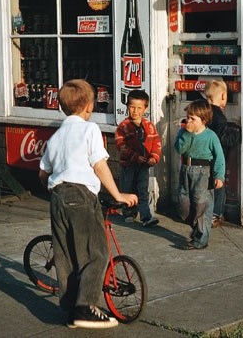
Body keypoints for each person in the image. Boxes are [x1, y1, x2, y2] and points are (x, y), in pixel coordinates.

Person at [39, 79, 138, 329]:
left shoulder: (56, 136)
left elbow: (43, 173)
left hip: (58, 197)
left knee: (66, 255)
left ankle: (72, 310)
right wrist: (117, 194)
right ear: (88, 107)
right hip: (81, 196)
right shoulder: (89, 129)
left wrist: (56, 190)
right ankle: (86, 308)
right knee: (97, 252)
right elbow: (99, 165)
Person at [175, 99, 225, 250]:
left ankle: (201, 239)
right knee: (185, 205)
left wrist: (219, 176)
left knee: (202, 205)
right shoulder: (184, 133)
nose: (189, 120)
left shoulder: (211, 136)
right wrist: (187, 134)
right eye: (188, 117)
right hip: (186, 169)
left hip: (203, 172)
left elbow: (219, 157)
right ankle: (197, 229)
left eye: (193, 118)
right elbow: (180, 149)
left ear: (203, 120)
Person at [115, 89, 162, 227]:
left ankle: (146, 216)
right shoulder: (123, 126)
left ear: (145, 108)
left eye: (139, 108)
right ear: (127, 107)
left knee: (142, 190)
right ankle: (129, 212)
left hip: (144, 166)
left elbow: (156, 143)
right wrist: (135, 157)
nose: (135, 111)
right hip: (128, 165)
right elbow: (121, 145)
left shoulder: (149, 126)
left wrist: (154, 157)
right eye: (132, 107)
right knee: (128, 188)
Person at [204, 79, 239, 228]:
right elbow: (224, 139)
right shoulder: (220, 117)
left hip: (203, 158)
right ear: (224, 96)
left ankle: (202, 212)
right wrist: (237, 132)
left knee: (204, 186)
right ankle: (215, 214)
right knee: (218, 186)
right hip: (217, 159)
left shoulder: (203, 113)